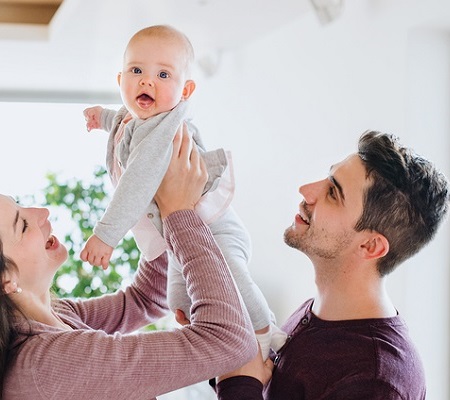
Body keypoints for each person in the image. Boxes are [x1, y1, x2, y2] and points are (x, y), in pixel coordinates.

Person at [0, 130, 259, 400]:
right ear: (5, 279)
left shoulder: (57, 315)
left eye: (21, 205)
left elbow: (144, 300)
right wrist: (178, 212)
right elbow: (229, 340)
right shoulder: (46, 365)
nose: (42, 213)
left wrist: (147, 196)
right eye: (23, 224)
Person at [80, 24, 286, 359]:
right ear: (120, 81)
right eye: (136, 71)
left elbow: (136, 182)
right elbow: (121, 119)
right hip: (181, 233)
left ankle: (267, 333)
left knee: (233, 279)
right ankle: (194, 319)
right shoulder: (136, 117)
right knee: (180, 298)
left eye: (163, 74)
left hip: (213, 229)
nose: (147, 81)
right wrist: (101, 117)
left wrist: (106, 235)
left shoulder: (164, 129)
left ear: (185, 90)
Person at [213, 130, 450, 399]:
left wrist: (237, 384)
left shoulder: (376, 381)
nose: (306, 191)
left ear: (370, 246)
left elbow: (243, 385)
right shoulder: (322, 313)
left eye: (333, 193)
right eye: (328, 178)